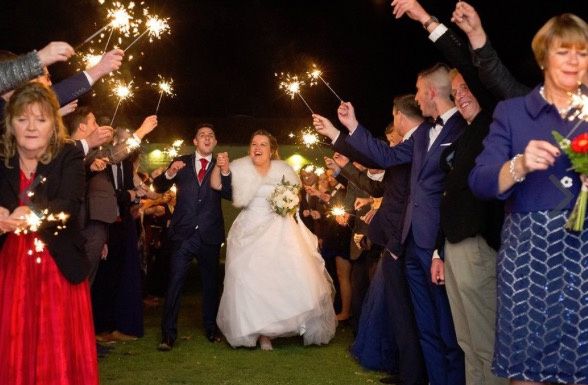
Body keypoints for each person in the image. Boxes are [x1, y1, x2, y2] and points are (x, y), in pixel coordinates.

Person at [314, 63, 467, 385]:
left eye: (418, 89)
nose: (417, 99)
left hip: (438, 245)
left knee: (447, 330)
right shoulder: (424, 135)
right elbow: (383, 157)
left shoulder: (461, 131)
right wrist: (347, 128)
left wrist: (439, 247)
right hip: (410, 243)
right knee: (425, 327)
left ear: (430, 92)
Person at [469, 14, 588, 385]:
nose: (573, 60)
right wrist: (518, 165)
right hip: (530, 261)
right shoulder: (514, 112)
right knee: (527, 373)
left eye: (582, 53)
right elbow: (481, 180)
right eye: (563, 51)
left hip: (584, 258)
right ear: (543, 58)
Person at [0, 82, 98, 384]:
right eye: (23, 119)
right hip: (10, 269)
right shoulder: (1, 158)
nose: (31, 127)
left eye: (40, 119)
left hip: (59, 268)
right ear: (10, 123)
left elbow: (68, 204)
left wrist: (32, 215)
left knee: (57, 348)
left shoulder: (67, 155)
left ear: (52, 125)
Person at [214, 130, 336, 350]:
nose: (257, 148)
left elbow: (295, 197)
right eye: (253, 144)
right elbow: (226, 190)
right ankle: (260, 332)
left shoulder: (284, 170)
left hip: (278, 227)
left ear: (272, 150)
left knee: (280, 277)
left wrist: (287, 203)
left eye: (263, 144)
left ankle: (281, 326)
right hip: (248, 228)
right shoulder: (241, 168)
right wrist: (223, 170)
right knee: (249, 278)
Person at [154, 123, 232, 351]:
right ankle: (168, 335)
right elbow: (159, 187)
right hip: (183, 234)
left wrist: (225, 171)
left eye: (211, 135)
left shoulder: (221, 163)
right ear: (195, 141)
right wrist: (170, 173)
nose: (207, 138)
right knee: (175, 282)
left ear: (215, 142)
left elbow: (228, 193)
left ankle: (211, 329)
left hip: (209, 233)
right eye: (202, 135)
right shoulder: (182, 162)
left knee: (210, 284)